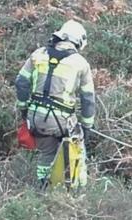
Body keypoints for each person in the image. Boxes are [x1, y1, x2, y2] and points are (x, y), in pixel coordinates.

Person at [15, 19, 95, 188]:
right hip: (61, 119)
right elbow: (88, 99)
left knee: (46, 153)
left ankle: (43, 186)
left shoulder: (38, 54)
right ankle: (74, 189)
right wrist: (87, 127)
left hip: (35, 116)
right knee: (76, 150)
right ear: (79, 41)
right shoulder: (80, 63)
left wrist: (24, 108)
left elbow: (21, 82)